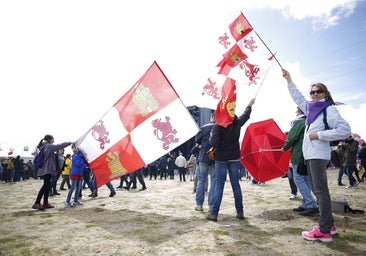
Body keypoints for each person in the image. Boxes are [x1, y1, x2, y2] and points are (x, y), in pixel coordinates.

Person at [282, 69, 351, 242]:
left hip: (318, 155)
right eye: (312, 92)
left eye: (318, 91)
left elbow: (345, 130)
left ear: (325, 93)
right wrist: (289, 80)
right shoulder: (311, 109)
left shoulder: (329, 110)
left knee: (320, 191)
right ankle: (330, 225)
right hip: (311, 155)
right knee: (317, 190)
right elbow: (297, 97)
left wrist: (319, 135)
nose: (314, 95)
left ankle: (324, 230)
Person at [207, 98, 256, 221]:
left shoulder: (218, 126)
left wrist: (211, 135)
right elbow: (245, 116)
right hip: (234, 157)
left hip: (221, 159)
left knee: (219, 185)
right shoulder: (237, 122)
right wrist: (249, 105)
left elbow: (214, 143)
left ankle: (214, 213)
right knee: (236, 185)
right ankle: (240, 212)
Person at [283, 107, 319, 216]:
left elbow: (292, 137)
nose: (296, 112)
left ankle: (311, 204)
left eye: (297, 110)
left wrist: (285, 147)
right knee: (305, 179)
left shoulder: (299, 121)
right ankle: (305, 204)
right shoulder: (310, 122)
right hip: (307, 155)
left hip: (298, 155)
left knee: (298, 179)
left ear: (299, 111)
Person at [32, 135, 72, 210]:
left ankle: (45, 203)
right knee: (45, 186)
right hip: (47, 169)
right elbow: (59, 146)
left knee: (47, 186)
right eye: (53, 139)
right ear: (50, 139)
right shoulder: (48, 146)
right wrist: (69, 143)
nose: (54, 140)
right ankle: (37, 203)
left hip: (47, 169)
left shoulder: (45, 146)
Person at [194, 112, 216, 212]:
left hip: (203, 157)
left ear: (211, 117)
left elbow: (197, 141)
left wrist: (201, 145)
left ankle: (199, 205)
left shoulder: (204, 127)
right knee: (214, 182)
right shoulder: (221, 128)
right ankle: (211, 206)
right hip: (216, 157)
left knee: (202, 181)